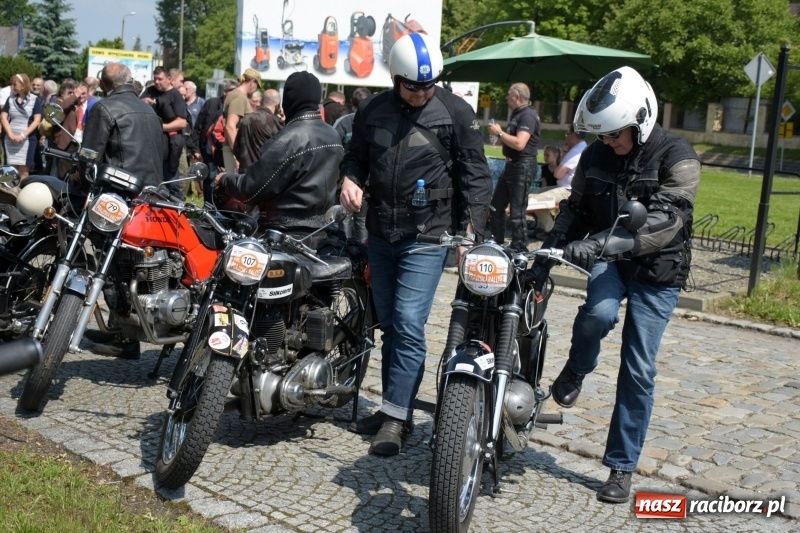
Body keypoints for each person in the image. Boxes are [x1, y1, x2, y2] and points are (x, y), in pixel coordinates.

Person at [529, 66, 700, 503]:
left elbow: (666, 220)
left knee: (638, 366)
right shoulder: (596, 155)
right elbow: (576, 208)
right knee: (598, 314)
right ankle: (577, 367)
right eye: (602, 136)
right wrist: (548, 256)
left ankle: (620, 466)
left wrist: (603, 243)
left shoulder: (678, 157)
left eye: (614, 136)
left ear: (640, 121)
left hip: (658, 271)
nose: (608, 143)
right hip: (611, 260)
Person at [339, 32, 492, 456]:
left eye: (429, 85)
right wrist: (349, 179)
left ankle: (396, 418)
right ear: (396, 78)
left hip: (428, 234)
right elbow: (355, 157)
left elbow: (476, 176)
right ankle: (394, 405)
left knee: (407, 322)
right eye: (413, 85)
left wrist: (471, 231)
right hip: (381, 232)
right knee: (388, 323)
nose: (422, 92)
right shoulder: (372, 110)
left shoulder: (456, 113)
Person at [80, 63, 167, 359]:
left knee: (111, 264)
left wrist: (79, 183)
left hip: (117, 198)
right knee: (134, 267)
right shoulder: (150, 112)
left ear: (104, 85)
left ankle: (124, 337)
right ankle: (119, 328)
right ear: (130, 81)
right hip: (151, 198)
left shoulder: (105, 109)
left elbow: (88, 158)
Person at [215, 71, 342, 233]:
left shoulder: (286, 139)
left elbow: (252, 188)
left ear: (289, 101)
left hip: (284, 232)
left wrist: (225, 178)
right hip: (323, 229)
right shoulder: (333, 135)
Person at [487, 83, 540, 251]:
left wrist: (500, 133)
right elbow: (513, 139)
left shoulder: (528, 116)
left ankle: (519, 247)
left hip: (522, 165)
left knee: (517, 211)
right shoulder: (518, 114)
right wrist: (500, 139)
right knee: (496, 205)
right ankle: (497, 241)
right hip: (511, 164)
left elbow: (520, 143)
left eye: (508, 96)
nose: (506, 99)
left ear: (517, 97)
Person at [526, 125, 587, 237]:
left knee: (532, 200)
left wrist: (563, 159)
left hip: (568, 190)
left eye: (567, 134)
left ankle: (551, 230)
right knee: (534, 195)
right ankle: (541, 228)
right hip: (565, 188)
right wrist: (564, 154)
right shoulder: (579, 148)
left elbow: (557, 174)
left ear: (573, 136)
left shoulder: (577, 151)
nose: (566, 137)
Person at [141, 66, 189, 199]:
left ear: (169, 79)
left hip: (171, 145)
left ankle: (177, 212)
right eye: (155, 79)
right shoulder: (150, 91)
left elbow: (181, 123)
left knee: (172, 183)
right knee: (150, 182)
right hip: (151, 145)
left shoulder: (175, 95)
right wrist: (142, 102)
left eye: (160, 79)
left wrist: (159, 127)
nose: (157, 82)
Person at [333, 87, 371, 242]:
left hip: (345, 179)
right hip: (367, 181)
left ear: (351, 103)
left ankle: (346, 253)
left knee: (345, 218)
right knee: (362, 220)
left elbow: (333, 149)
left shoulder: (342, 122)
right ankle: (362, 255)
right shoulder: (374, 121)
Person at [1, 73, 43, 181]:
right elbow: (3, 117)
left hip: (27, 138)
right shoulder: (10, 99)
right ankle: (11, 194)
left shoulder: (35, 100)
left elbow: (37, 120)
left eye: (15, 84)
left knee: (24, 169)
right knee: (11, 169)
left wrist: (23, 135)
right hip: (11, 138)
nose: (12, 87)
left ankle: (22, 193)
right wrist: (10, 134)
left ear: (23, 85)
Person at [233, 88, 283, 173]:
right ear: (277, 104)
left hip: (245, 176)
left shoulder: (246, 119)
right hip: (264, 177)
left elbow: (236, 149)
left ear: (262, 101)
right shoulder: (275, 122)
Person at [222, 68, 262, 172]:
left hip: (235, 150)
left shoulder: (238, 95)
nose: (256, 89)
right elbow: (230, 126)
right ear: (252, 82)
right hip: (235, 152)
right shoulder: (239, 97)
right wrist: (239, 156)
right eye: (257, 86)